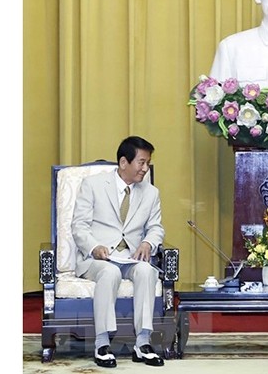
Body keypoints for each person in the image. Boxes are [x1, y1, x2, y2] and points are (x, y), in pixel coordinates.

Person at [72, 136, 166, 368]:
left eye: (147, 163)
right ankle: (102, 343)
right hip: (98, 258)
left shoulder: (151, 193)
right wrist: (94, 247)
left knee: (147, 271)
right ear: (124, 162)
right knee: (110, 273)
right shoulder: (93, 185)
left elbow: (156, 227)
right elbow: (79, 225)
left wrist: (147, 243)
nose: (145, 169)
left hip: (131, 257)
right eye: (141, 163)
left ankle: (142, 342)